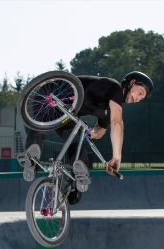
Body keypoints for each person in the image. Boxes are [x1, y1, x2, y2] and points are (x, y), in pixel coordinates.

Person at [18, 71, 153, 202]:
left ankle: (37, 160)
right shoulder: (114, 88)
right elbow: (117, 123)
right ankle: (37, 155)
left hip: (65, 112)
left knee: (74, 139)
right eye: (140, 93)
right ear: (132, 83)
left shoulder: (108, 110)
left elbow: (101, 130)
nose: (138, 99)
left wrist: (90, 133)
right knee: (42, 124)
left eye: (142, 98)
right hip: (51, 91)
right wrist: (116, 157)